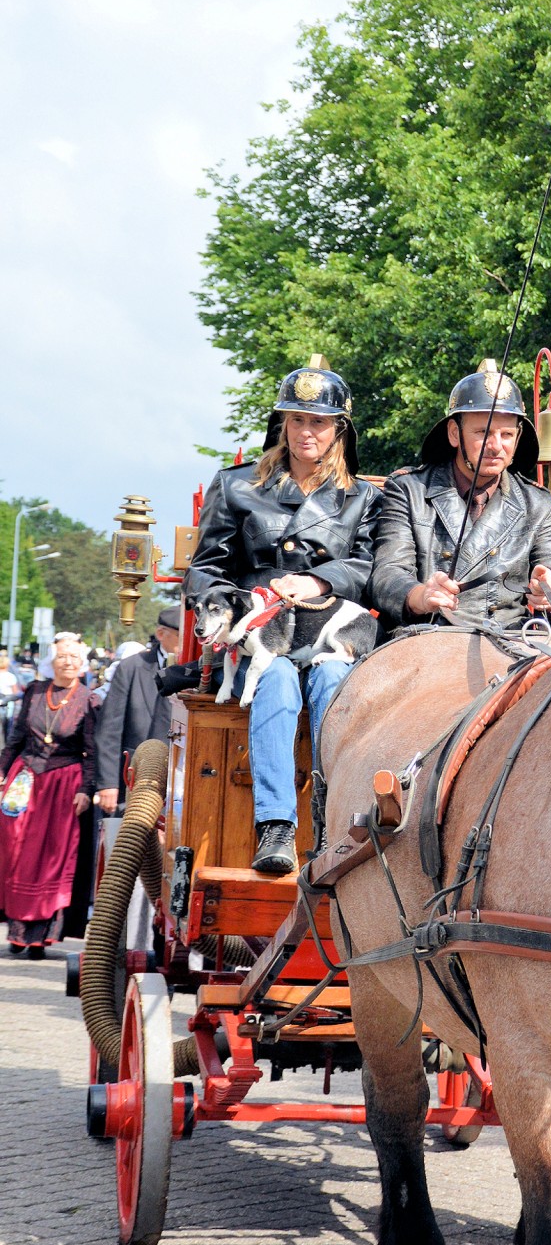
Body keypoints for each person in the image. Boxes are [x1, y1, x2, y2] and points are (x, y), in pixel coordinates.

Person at [183, 366, 381, 875]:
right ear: (282, 424)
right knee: (273, 679)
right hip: (253, 635)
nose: (307, 432)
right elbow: (205, 570)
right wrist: (230, 607)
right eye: (296, 420)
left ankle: (330, 815)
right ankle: (276, 827)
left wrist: (319, 581)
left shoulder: (362, 498)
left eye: (319, 421)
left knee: (335, 678)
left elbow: (368, 569)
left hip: (322, 628)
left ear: (340, 429)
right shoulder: (235, 486)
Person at [371, 359, 551, 631]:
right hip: (426, 637)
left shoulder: (537, 503)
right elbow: (386, 575)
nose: (496, 446)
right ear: (454, 433)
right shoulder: (408, 490)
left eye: (506, 434)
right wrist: (421, 596)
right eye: (483, 432)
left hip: (510, 644)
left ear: (518, 439)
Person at [0, 633, 99, 957]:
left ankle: (42, 936)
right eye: (62, 657)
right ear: (51, 662)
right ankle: (16, 930)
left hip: (63, 786)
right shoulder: (34, 691)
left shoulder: (89, 699)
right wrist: (1, 770)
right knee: (17, 853)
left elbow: (92, 751)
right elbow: (15, 737)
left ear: (82, 663)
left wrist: (86, 789)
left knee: (52, 859)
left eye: (74, 658)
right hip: (26, 780)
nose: (68, 663)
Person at [94, 609, 181, 815]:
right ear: (161, 634)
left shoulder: (203, 669)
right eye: (182, 635)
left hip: (181, 781)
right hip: (134, 778)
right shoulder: (131, 667)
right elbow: (109, 729)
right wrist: (108, 783)